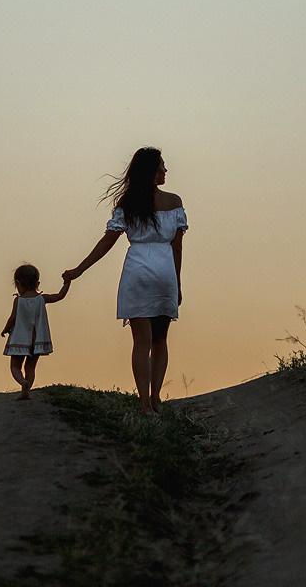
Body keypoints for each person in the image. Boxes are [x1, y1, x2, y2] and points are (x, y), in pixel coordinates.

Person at [64, 147, 187, 414]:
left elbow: (108, 241)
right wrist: (177, 283)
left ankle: (144, 404)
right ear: (152, 171)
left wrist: (79, 269)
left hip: (137, 271)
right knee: (160, 340)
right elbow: (177, 247)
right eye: (162, 166)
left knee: (141, 342)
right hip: (164, 272)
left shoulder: (127, 204)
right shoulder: (174, 202)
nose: (165, 170)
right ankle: (156, 399)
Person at [1, 263, 70, 400]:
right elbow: (59, 296)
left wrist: (6, 328)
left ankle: (22, 382)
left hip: (20, 340)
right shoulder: (42, 299)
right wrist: (67, 282)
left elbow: (13, 318)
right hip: (36, 340)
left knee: (15, 367)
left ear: (18, 284)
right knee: (30, 368)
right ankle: (26, 390)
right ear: (37, 283)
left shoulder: (19, 301)